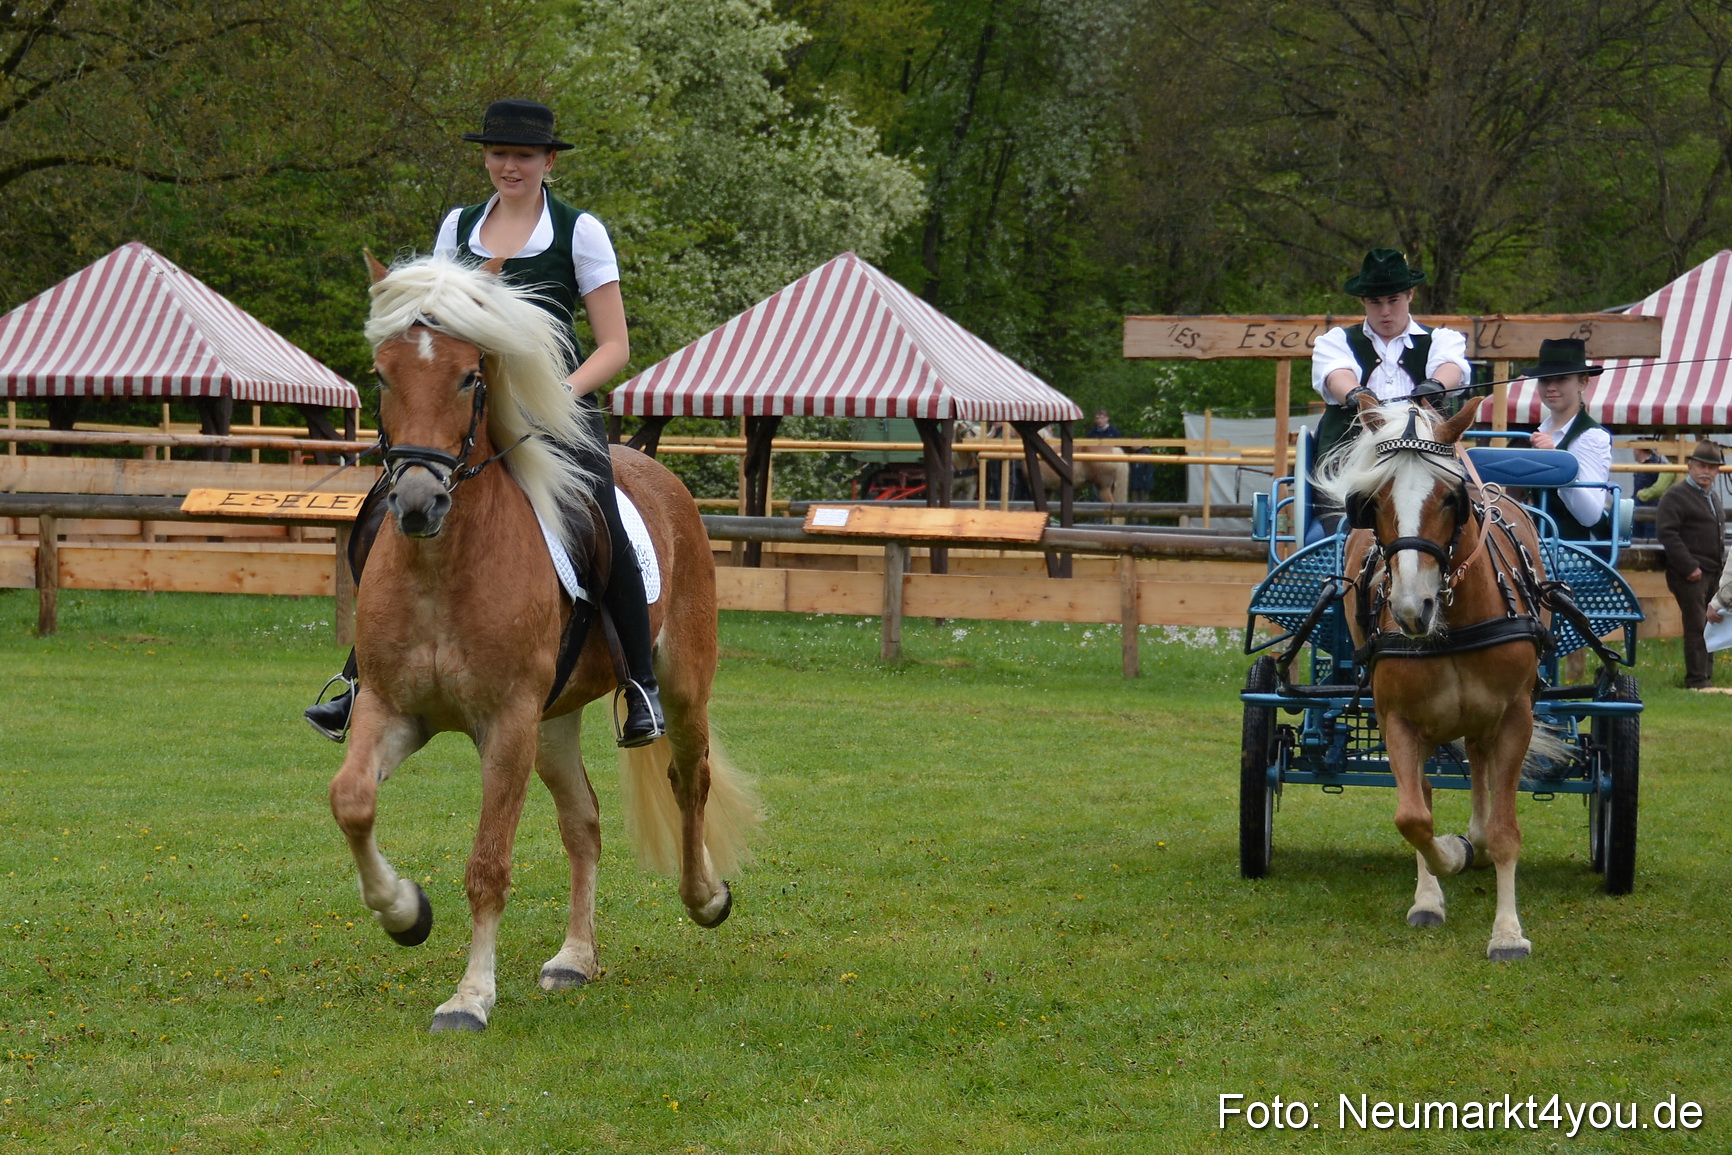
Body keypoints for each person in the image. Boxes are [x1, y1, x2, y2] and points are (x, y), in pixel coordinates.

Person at [306, 99, 664, 747]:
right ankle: (360, 677)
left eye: (524, 155)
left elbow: (615, 345)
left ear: (549, 160)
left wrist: (554, 393)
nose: (510, 165)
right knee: (382, 512)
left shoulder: (580, 231)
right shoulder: (457, 227)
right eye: (499, 153)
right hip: (470, 412)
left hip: (558, 411)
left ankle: (640, 683)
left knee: (603, 517)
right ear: (485, 158)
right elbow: (436, 327)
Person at [1310, 248, 1473, 467]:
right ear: (1363, 301)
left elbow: (1450, 366)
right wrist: (1356, 394)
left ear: (1410, 295)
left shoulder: (1442, 339)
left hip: (1424, 459)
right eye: (1375, 302)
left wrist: (1436, 386)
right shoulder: (1335, 341)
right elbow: (1337, 373)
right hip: (1350, 460)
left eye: (1393, 300)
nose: (1385, 311)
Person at [1523, 338, 1612, 544]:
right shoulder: (1539, 433)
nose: (1551, 387)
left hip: (1577, 554)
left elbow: (1590, 516)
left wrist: (1559, 465)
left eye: (1561, 379)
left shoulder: (1590, 437)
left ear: (1583, 382)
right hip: (1537, 550)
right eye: (1544, 379)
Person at [1657, 441, 1726, 689]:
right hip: (1689, 575)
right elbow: (1667, 534)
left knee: (1713, 623)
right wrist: (1689, 567)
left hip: (1713, 572)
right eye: (1701, 465)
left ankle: (1706, 676)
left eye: (1712, 467)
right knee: (1696, 625)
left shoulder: (1712, 496)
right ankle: (1696, 679)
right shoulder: (1675, 495)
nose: (1706, 471)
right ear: (1690, 466)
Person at [1632, 442, 1673, 540]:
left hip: (1650, 508)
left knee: (1647, 539)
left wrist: (1640, 495)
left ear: (1638, 450)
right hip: (1647, 507)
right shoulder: (1658, 463)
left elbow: (1658, 489)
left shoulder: (1657, 465)